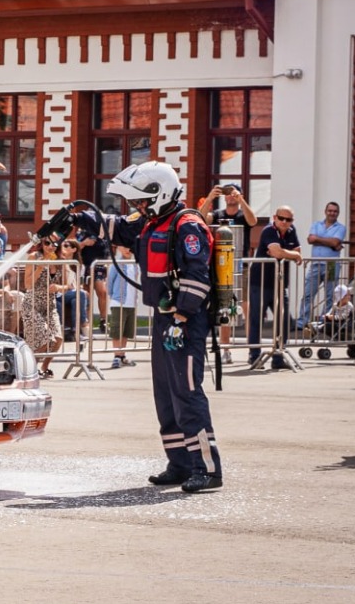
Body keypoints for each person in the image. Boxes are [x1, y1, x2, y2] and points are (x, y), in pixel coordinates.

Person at [63, 160, 223, 493]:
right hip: (166, 319)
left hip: (186, 321)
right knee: (166, 395)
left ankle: (207, 469)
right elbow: (116, 226)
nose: (138, 207)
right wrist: (76, 218)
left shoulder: (187, 225)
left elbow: (197, 277)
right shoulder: (151, 221)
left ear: (159, 194)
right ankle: (179, 464)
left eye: (142, 200)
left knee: (188, 393)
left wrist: (181, 316)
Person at [199, 182, 257, 363]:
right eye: (228, 193)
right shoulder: (217, 215)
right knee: (224, 307)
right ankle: (225, 350)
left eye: (234, 193)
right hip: (219, 267)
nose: (231, 196)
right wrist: (210, 197)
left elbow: (253, 221)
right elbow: (200, 218)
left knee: (246, 307)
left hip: (240, 267)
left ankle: (252, 350)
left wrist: (242, 200)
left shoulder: (242, 215)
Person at [247, 207, 302, 369]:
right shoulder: (268, 231)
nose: (284, 222)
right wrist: (290, 254)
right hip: (260, 282)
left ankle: (278, 357)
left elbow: (297, 251)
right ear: (274, 217)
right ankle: (254, 356)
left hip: (279, 283)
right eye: (281, 218)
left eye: (288, 219)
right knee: (257, 319)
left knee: (284, 321)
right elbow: (279, 253)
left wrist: (286, 253)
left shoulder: (291, 231)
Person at [297, 202, 346, 330]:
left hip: (331, 264)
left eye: (335, 211)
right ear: (325, 211)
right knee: (308, 294)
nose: (332, 213)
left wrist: (319, 239)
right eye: (330, 210)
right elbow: (310, 240)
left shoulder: (341, 227)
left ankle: (323, 322)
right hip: (315, 264)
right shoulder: (316, 224)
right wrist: (329, 242)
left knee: (330, 295)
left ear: (338, 213)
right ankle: (302, 322)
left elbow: (335, 241)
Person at [21, 236, 64, 379]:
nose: (50, 247)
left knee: (58, 338)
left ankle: (45, 366)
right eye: (47, 243)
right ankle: (29, 368)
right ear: (42, 244)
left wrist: (59, 287)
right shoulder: (34, 257)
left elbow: (70, 284)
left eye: (54, 244)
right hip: (32, 304)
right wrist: (40, 267)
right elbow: (27, 285)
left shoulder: (59, 260)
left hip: (49, 305)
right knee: (46, 339)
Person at [106, 244, 140, 369]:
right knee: (117, 330)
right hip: (119, 301)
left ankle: (122, 354)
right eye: (124, 247)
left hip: (131, 302)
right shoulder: (117, 264)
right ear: (119, 248)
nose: (127, 250)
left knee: (126, 330)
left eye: (129, 247)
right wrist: (113, 296)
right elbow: (110, 282)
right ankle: (116, 355)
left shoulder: (135, 264)